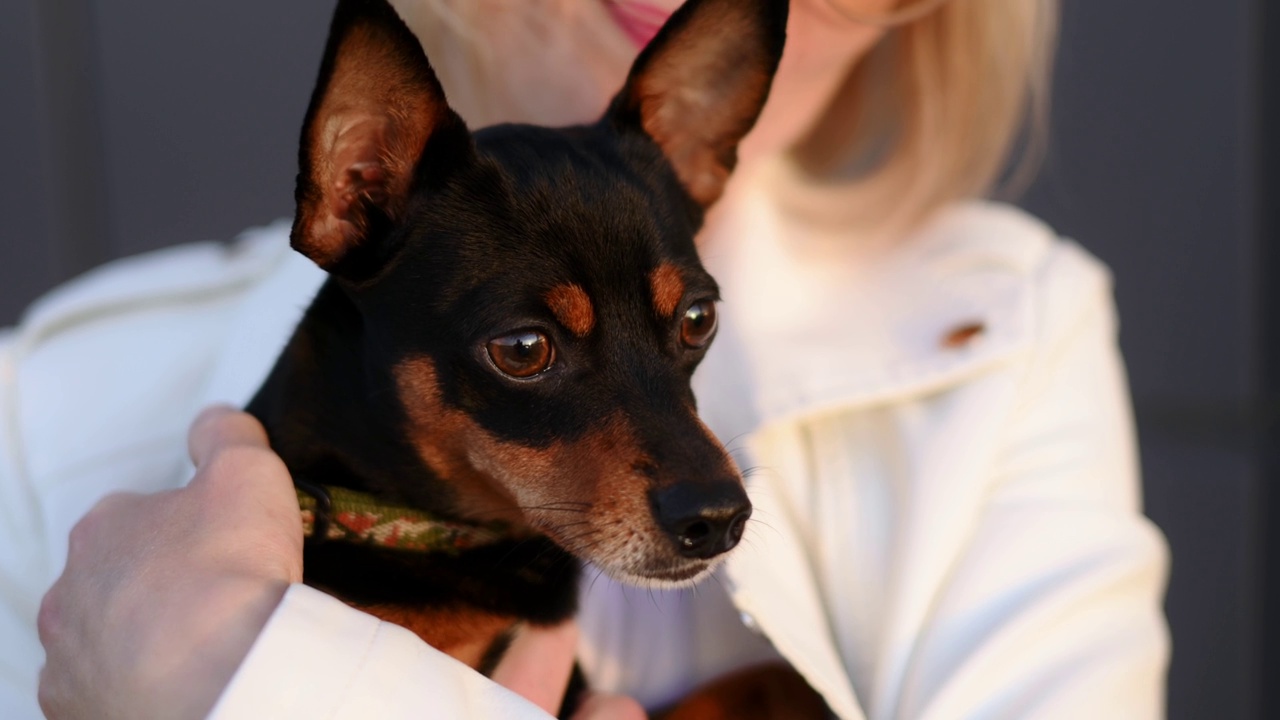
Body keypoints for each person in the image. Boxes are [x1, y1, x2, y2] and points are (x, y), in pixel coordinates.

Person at [1, 0, 1171, 717]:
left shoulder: (1008, 336)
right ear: (353, 187)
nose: (696, 479)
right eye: (524, 347)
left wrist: (215, 688)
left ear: (701, 146)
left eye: (687, 328)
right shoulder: (44, 413)